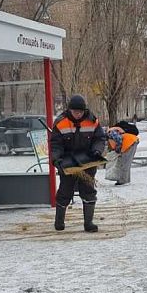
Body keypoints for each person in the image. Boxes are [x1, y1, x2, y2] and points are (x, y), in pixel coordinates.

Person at [50, 94, 107, 232]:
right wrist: (56, 159)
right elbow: (55, 144)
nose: (78, 114)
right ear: (70, 110)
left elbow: (100, 139)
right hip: (68, 162)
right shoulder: (60, 122)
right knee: (65, 191)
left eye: (80, 112)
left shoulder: (93, 121)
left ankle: (89, 223)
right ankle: (59, 222)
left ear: (84, 111)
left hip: (87, 161)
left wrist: (97, 151)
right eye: (75, 112)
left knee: (88, 191)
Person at [104, 120, 140, 185]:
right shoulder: (112, 132)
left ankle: (122, 181)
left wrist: (118, 150)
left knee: (124, 163)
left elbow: (119, 140)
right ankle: (125, 180)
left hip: (129, 143)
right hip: (131, 142)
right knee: (126, 163)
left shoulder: (110, 133)